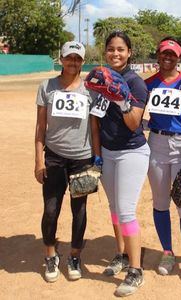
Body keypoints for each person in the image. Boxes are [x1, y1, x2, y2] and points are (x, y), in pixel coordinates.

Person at [89, 31, 150, 297]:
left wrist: (122, 99)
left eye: (121, 49)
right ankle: (121, 254)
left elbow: (135, 124)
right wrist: (97, 156)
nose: (116, 53)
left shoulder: (136, 83)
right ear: (105, 52)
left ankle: (136, 271)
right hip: (108, 153)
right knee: (114, 209)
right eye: (111, 49)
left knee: (126, 211)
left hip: (131, 153)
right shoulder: (98, 78)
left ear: (129, 52)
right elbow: (94, 121)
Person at [34, 41, 95, 282]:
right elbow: (40, 127)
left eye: (78, 58)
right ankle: (50, 254)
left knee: (79, 210)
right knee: (51, 209)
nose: (73, 62)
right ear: (61, 59)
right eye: (69, 58)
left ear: (82, 61)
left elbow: (95, 125)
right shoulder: (46, 86)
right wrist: (39, 160)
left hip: (82, 158)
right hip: (54, 158)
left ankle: (74, 255)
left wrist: (96, 158)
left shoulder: (91, 88)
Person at [145, 37, 181, 283]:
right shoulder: (147, 84)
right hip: (156, 144)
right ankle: (167, 252)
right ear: (158, 55)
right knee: (160, 202)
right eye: (164, 53)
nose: (168, 57)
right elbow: (137, 114)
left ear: (179, 57)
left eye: (173, 54)